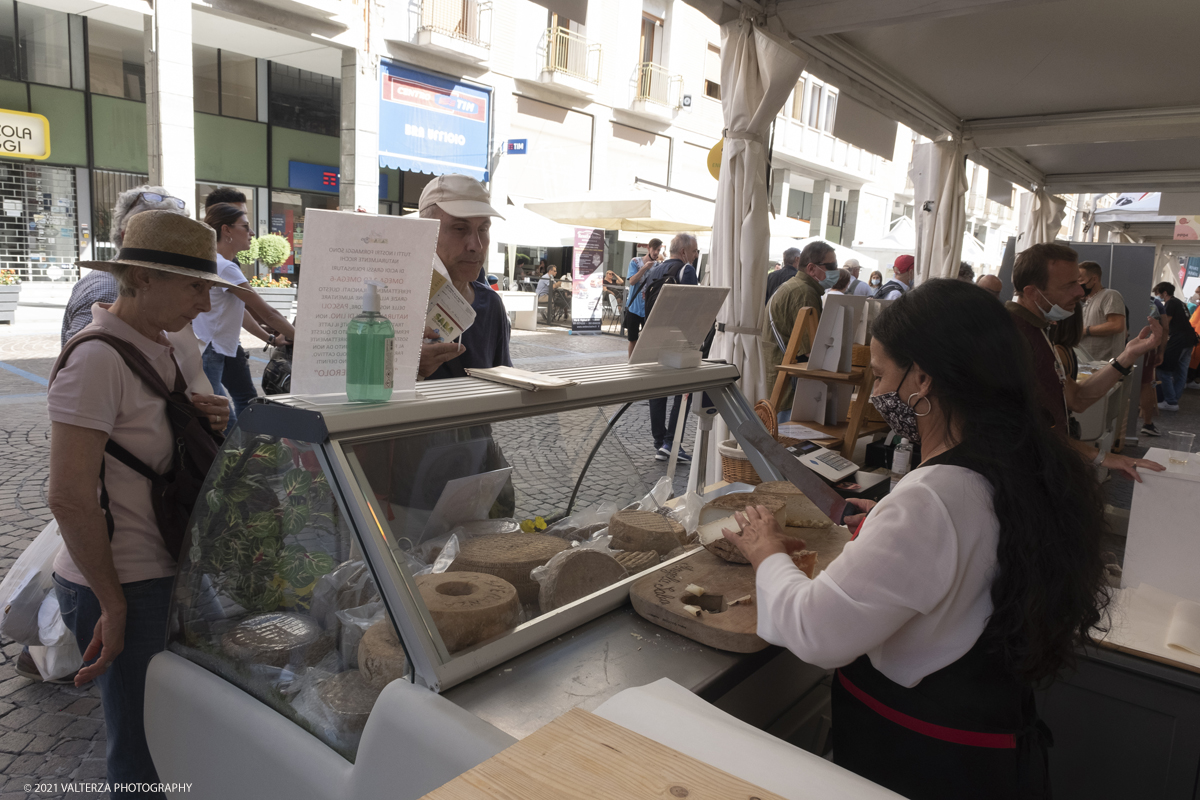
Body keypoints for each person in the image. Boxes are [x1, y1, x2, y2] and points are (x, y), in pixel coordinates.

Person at [721, 279, 1112, 800]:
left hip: (925, 765)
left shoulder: (935, 496)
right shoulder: (1019, 460)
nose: (878, 392)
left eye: (881, 374)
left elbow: (817, 630)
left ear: (922, 377)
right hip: (991, 757)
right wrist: (888, 524)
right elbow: (966, 560)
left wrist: (766, 552)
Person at [47, 211, 233, 793]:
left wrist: (218, 414)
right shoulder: (96, 357)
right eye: (195, 286)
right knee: (142, 745)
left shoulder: (172, 342)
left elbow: (190, 424)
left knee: (181, 726)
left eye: (210, 287)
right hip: (120, 581)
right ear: (143, 279)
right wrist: (113, 604)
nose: (205, 303)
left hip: (172, 563)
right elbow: (69, 496)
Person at [1007, 243, 1163, 480]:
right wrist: (1101, 457)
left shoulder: (1039, 331)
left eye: (1078, 283)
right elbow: (1026, 428)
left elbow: (1076, 399)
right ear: (1032, 293)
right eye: (1069, 284)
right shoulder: (1011, 338)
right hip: (1020, 475)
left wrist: (1127, 356)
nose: (1080, 292)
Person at [192, 203, 296, 431]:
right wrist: (305, 341)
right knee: (223, 417)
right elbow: (267, 312)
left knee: (247, 401)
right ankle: (232, 459)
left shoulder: (217, 263)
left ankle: (251, 453)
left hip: (221, 347)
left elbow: (241, 311)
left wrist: (271, 339)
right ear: (226, 230)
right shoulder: (225, 267)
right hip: (211, 348)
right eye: (245, 227)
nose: (251, 233)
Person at [61, 187, 188, 344]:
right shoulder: (110, 289)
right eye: (162, 237)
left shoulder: (141, 284)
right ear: (128, 237)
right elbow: (88, 353)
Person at [415, 174, 512, 380]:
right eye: (460, 228)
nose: (475, 245)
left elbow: (504, 383)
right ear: (425, 232)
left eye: (483, 229)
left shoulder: (491, 304)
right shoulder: (395, 303)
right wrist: (408, 369)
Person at [761, 240, 837, 416]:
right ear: (811, 268)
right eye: (831, 265)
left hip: (780, 382)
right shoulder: (804, 292)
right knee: (790, 440)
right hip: (790, 389)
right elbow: (812, 350)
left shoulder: (795, 286)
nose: (835, 271)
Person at [644, 233, 700, 461]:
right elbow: (693, 308)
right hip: (678, 339)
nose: (696, 255)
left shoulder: (654, 269)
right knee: (683, 391)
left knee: (657, 391)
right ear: (685, 251)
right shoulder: (686, 270)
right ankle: (671, 442)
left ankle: (659, 441)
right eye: (695, 251)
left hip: (653, 336)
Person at [1154, 282, 1199, 412]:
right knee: (1181, 371)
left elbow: (1165, 324)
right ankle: (1174, 400)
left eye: (1158, 293)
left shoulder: (1170, 304)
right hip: (1190, 339)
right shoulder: (1180, 303)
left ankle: (1171, 401)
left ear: (1165, 293)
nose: (1158, 296)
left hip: (1178, 340)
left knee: (1164, 370)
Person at [1077, 261, 1127, 362]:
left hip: (1105, 364)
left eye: (1081, 281)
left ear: (1094, 279)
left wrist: (1085, 330)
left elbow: (1117, 325)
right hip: (1089, 363)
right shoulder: (1087, 301)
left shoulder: (1110, 295)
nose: (1078, 285)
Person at [624, 238, 663, 356]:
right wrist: (645, 268)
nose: (656, 252)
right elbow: (632, 281)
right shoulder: (635, 262)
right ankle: (630, 363)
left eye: (658, 250)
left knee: (649, 340)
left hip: (649, 308)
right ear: (648, 248)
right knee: (633, 339)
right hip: (634, 308)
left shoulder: (658, 266)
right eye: (654, 249)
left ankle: (644, 362)